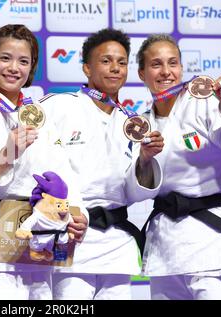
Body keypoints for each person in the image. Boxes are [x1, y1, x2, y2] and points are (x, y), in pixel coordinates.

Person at [0, 24, 88, 300]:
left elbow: (63, 172)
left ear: (32, 67)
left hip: (37, 236)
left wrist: (77, 213)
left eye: (23, 61)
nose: (14, 68)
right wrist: (4, 156)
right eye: (5, 58)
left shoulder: (40, 115)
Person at [136, 34, 221, 300]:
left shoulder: (205, 104)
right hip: (165, 243)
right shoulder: (141, 125)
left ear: (181, 68)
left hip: (208, 238)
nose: (166, 72)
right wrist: (144, 159)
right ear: (142, 73)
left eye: (173, 63)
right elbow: (133, 186)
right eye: (156, 64)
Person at [39, 28, 164, 300]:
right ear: (86, 68)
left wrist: (145, 160)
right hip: (71, 234)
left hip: (116, 242)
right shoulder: (58, 107)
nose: (115, 68)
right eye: (106, 61)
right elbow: (35, 166)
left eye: (121, 62)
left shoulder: (134, 123)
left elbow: (135, 192)